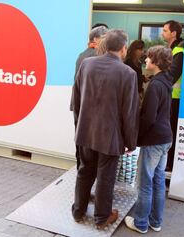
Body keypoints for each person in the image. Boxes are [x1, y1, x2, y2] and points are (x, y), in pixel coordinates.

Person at [70, 29, 139, 229]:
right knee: (105, 179)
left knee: (84, 172)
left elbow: (76, 100)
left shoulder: (86, 64)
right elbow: (130, 113)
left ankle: (78, 211)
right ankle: (102, 218)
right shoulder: (128, 73)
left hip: (84, 132)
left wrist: (79, 126)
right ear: (124, 48)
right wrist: (130, 141)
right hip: (110, 138)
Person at [124, 45, 173, 234]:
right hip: (165, 138)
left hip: (154, 141)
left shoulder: (154, 85)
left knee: (145, 183)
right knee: (158, 182)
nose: (145, 60)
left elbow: (148, 118)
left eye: (149, 57)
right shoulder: (165, 81)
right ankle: (155, 221)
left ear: (156, 62)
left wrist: (135, 139)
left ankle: (141, 223)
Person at [71, 25, 108, 170]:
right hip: (88, 106)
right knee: (88, 142)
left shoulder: (83, 54)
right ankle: (85, 173)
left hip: (79, 104)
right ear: (96, 39)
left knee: (80, 138)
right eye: (105, 38)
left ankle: (81, 169)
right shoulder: (95, 56)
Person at [162, 20, 184, 171]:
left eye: (165, 30)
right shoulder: (170, 49)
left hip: (175, 99)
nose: (162, 33)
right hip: (168, 97)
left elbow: (172, 75)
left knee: (171, 132)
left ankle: (169, 166)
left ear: (173, 33)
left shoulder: (179, 50)